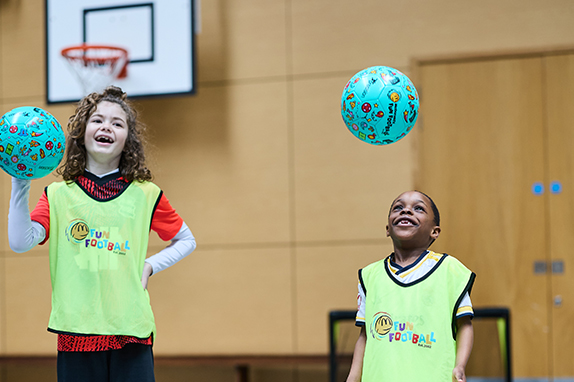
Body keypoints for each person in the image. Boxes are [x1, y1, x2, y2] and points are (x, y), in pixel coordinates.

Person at [8, 86, 196, 382]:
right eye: (97, 120)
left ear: (127, 140)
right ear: (81, 133)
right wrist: (20, 183)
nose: (106, 126)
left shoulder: (147, 195)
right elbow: (19, 243)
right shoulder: (57, 195)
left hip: (130, 330)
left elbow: (187, 240)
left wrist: (150, 265)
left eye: (117, 123)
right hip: (76, 332)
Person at [346, 191, 475, 382]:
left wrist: (460, 366)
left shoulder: (450, 270)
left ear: (435, 231)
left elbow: (464, 325)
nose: (406, 210)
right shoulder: (370, 276)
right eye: (398, 207)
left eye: (418, 208)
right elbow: (365, 336)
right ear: (388, 228)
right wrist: (352, 377)